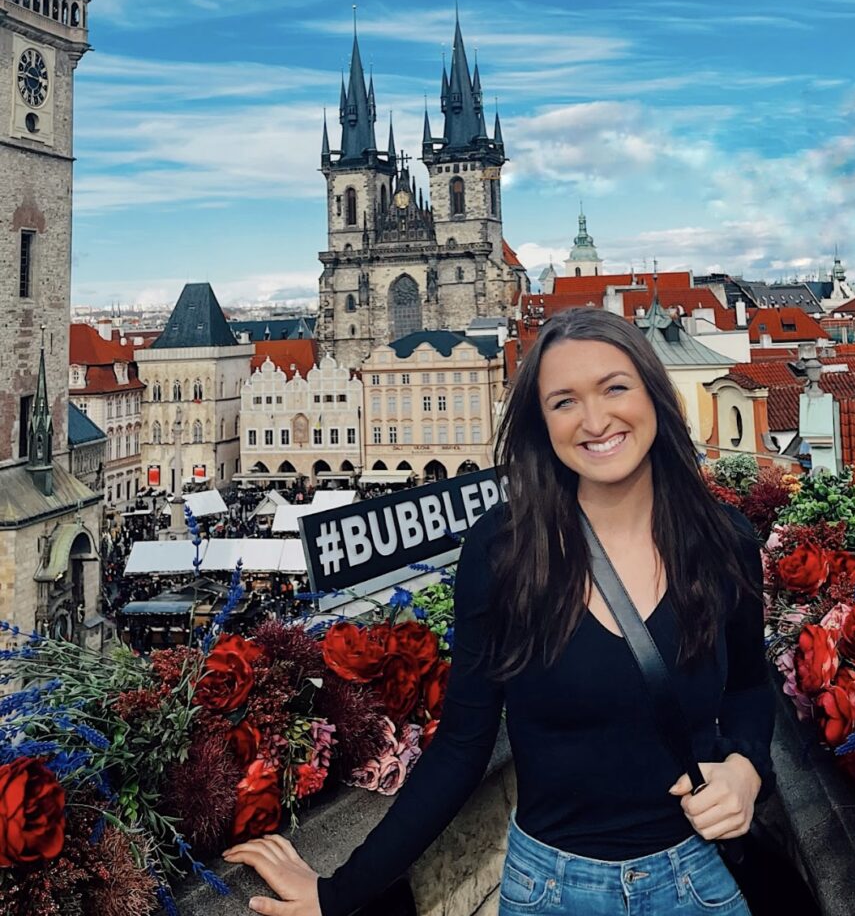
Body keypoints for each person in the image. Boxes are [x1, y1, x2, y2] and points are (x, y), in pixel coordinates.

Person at [223, 307, 774, 916]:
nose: (595, 420)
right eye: (564, 401)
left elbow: (750, 686)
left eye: (615, 387)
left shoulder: (725, 539)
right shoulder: (506, 549)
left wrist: (747, 770)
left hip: (692, 878)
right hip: (552, 891)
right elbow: (462, 747)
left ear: (654, 393)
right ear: (542, 423)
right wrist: (338, 893)